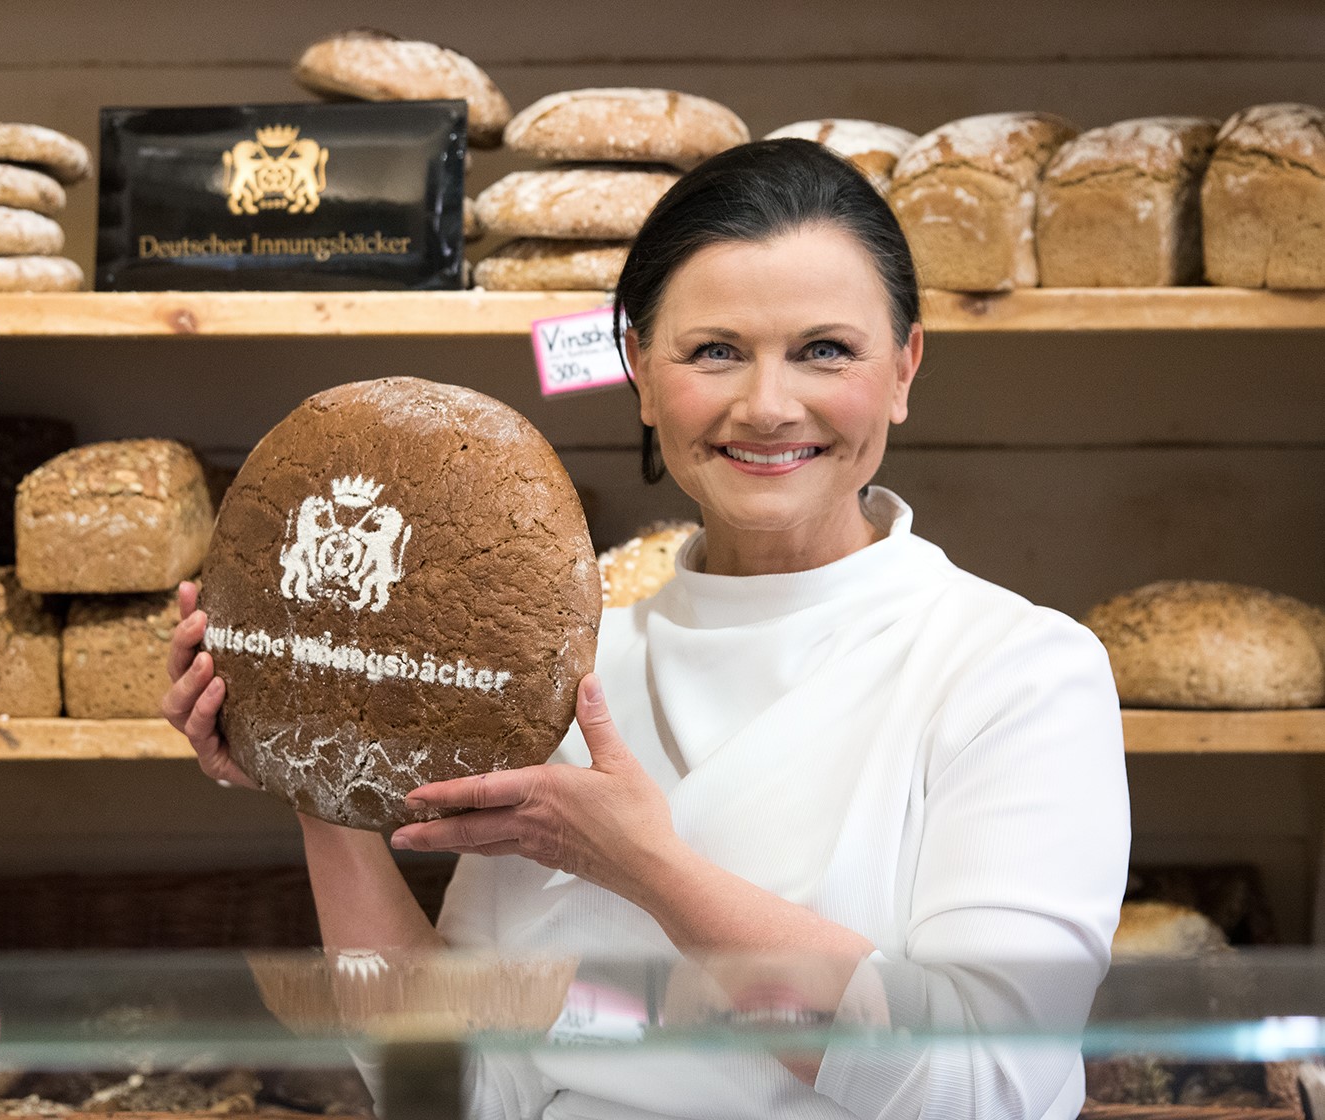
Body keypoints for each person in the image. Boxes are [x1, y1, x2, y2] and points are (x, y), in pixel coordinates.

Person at [164, 138, 1131, 1119]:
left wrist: (646, 866)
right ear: (639, 369)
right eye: (715, 351)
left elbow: (988, 1084)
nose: (768, 406)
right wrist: (315, 772)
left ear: (904, 369)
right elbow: (462, 1091)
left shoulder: (1016, 673)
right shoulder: (569, 672)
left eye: (825, 350)